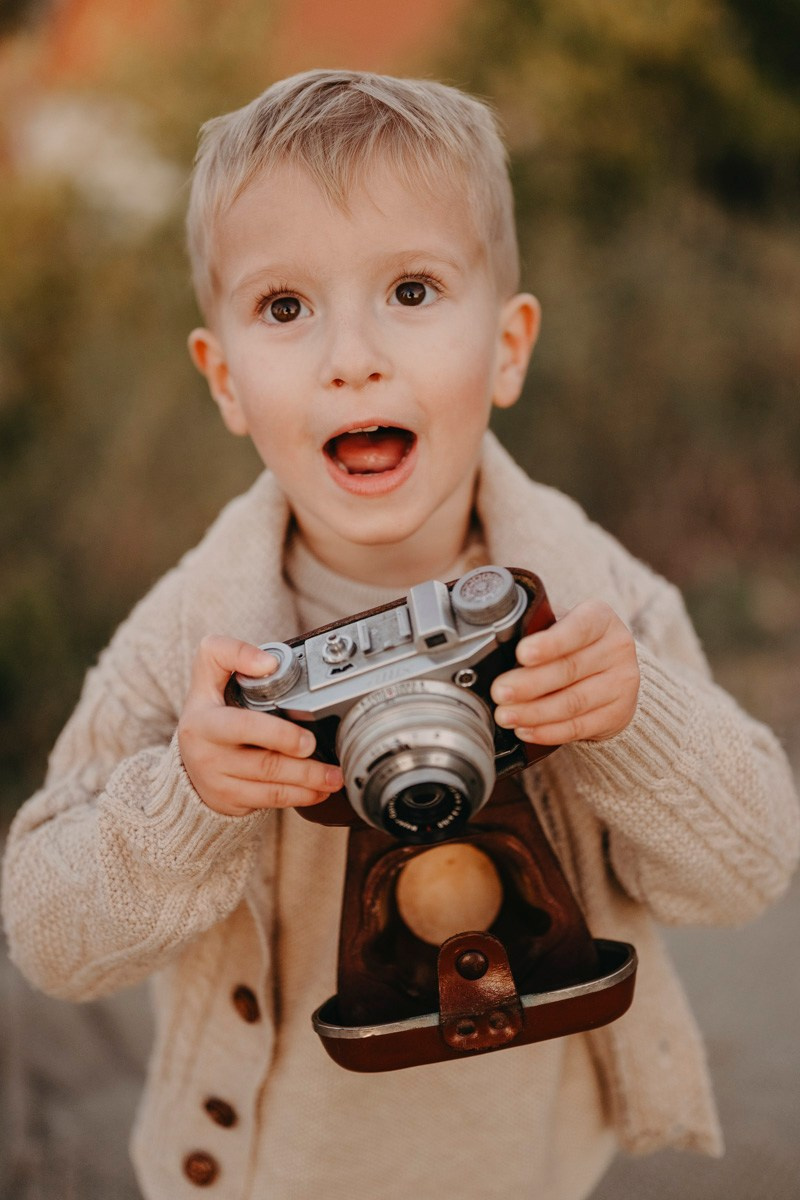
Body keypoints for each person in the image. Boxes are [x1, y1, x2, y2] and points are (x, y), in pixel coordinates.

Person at [2, 69, 798, 1200]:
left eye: (412, 290)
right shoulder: (193, 641)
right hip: (269, 1174)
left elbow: (748, 871)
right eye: (286, 308)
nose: (351, 356)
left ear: (508, 348)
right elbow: (46, 938)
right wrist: (186, 795)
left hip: (528, 1173)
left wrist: (635, 719)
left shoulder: (593, 602)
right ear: (223, 379)